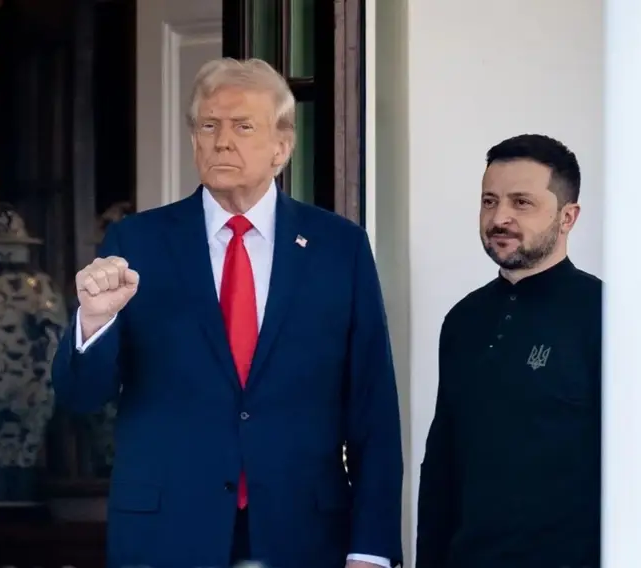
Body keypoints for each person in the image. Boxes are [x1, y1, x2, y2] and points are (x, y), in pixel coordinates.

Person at [51, 58, 403, 568]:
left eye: (243, 126)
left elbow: (373, 409)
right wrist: (93, 323)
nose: (221, 141)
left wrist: (371, 550)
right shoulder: (138, 243)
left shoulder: (338, 248)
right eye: (208, 126)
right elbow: (81, 397)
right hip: (167, 534)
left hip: (302, 534)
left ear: (282, 146)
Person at [415, 134, 602, 568]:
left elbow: (636, 471)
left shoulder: (604, 314)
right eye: (489, 201)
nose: (500, 217)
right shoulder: (463, 320)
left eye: (521, 202)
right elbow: (441, 465)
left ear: (567, 217)